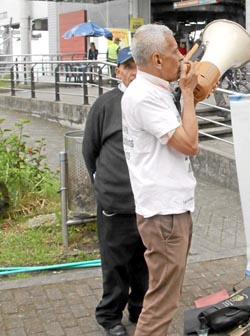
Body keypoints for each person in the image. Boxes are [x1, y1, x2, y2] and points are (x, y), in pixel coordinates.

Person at [121, 24, 198, 336]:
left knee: (166, 294)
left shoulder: (151, 90)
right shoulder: (146, 97)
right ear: (155, 60)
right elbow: (189, 144)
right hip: (165, 212)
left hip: (167, 209)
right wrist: (190, 94)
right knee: (162, 302)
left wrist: (190, 95)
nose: (180, 57)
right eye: (173, 53)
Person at [82, 47, 148, 336]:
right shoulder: (106, 104)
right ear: (117, 71)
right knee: (115, 264)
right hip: (115, 199)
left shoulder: (152, 101)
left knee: (143, 262)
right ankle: (110, 317)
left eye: (138, 66)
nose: (134, 72)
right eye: (128, 66)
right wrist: (105, 185)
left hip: (147, 200)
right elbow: (90, 151)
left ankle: (139, 308)